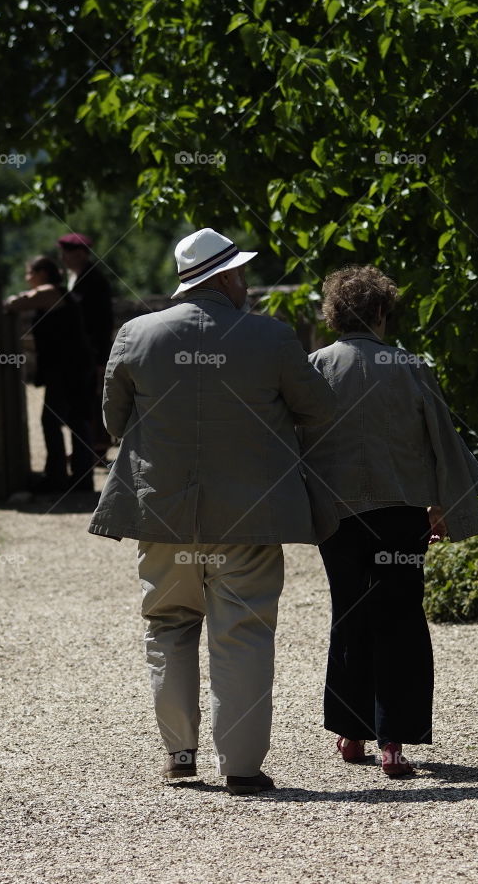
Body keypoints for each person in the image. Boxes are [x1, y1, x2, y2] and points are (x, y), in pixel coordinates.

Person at [89, 227, 339, 795]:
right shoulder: (270, 337)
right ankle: (243, 767)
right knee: (244, 630)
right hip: (249, 514)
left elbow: (113, 421)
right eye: (242, 273)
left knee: (169, 624)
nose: (247, 283)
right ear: (224, 277)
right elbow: (319, 408)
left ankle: (180, 755)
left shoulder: (136, 334)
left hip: (164, 514)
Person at [300, 264, 478, 777]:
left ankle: (351, 731)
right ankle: (393, 742)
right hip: (402, 515)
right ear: (382, 311)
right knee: (401, 619)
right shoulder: (410, 366)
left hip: (338, 516)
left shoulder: (314, 365)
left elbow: (295, 444)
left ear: (335, 313)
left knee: (349, 615)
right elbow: (441, 442)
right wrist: (446, 505)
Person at [5, 255, 95, 493]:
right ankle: (81, 478)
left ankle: (57, 477)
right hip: (72, 367)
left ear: (42, 273)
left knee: (53, 420)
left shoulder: (49, 291)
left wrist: (10, 300)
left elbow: (17, 303)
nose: (27, 279)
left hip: (66, 369)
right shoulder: (60, 293)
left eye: (29, 274)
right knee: (77, 419)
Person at [57, 232, 114, 463]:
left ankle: (95, 450)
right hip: (84, 353)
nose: (63, 258)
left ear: (80, 253)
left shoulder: (93, 281)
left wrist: (101, 358)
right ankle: (90, 448)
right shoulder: (80, 277)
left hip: (92, 353)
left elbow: (102, 323)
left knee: (93, 399)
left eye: (67, 254)